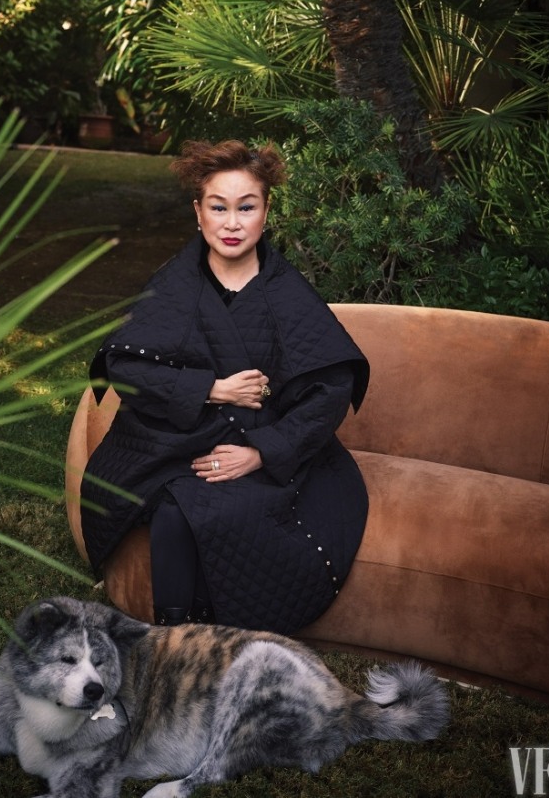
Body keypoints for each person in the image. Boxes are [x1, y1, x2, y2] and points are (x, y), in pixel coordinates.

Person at [82, 140, 369, 635]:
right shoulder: (173, 284)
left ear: (266, 212)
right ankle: (174, 644)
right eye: (219, 208)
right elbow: (126, 368)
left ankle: (201, 643)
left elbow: (330, 392)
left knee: (206, 512)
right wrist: (212, 389)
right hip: (173, 441)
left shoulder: (288, 293)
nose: (232, 223)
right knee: (173, 507)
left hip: (262, 447)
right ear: (198, 213)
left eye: (246, 207)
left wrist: (261, 453)